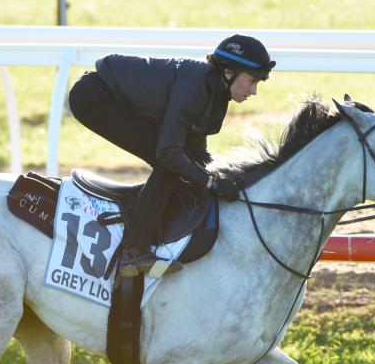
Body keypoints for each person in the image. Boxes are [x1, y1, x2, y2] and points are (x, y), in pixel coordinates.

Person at [68, 34, 275, 277]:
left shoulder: (215, 87)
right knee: (170, 164)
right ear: (229, 71)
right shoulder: (198, 86)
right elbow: (169, 152)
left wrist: (218, 177)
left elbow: (197, 151)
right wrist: (210, 182)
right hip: (94, 97)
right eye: (251, 81)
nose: (254, 91)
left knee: (184, 163)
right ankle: (134, 251)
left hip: (111, 93)